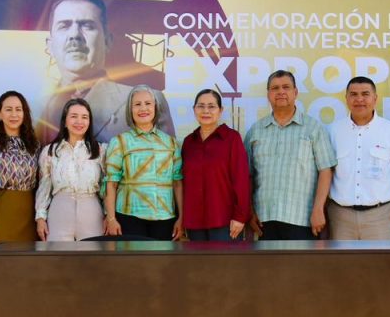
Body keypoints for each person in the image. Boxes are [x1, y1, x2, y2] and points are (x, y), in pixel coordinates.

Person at [38, 0, 175, 144]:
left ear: (107, 41)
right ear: (50, 45)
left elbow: (165, 158)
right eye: (64, 26)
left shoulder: (149, 103)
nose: (75, 35)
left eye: (87, 26)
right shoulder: (32, 109)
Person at [244, 70, 336, 240]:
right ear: (268, 94)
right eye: (275, 88)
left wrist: (318, 209)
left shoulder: (313, 128)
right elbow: (247, 175)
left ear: (295, 92)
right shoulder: (255, 131)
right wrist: (250, 211)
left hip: (302, 218)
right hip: (264, 220)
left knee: (300, 260)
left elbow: (325, 170)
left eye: (286, 87)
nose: (280, 92)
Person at [327, 76, 390, 240]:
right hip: (341, 217)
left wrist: (384, 207)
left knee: (380, 258)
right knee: (341, 258)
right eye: (353, 94)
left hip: (380, 217)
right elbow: (327, 173)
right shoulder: (333, 131)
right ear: (346, 98)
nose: (359, 99)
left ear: (375, 98)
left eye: (365, 94)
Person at [104, 85, 184, 240]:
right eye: (137, 104)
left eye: (148, 103)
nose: (143, 108)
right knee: (133, 257)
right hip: (129, 217)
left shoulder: (171, 143)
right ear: (130, 109)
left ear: (155, 107)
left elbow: (177, 183)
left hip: (165, 218)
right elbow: (111, 183)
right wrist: (111, 218)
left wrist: (182, 218)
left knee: (162, 257)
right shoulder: (119, 141)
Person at [181, 89, 250, 241]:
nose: (206, 111)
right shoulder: (189, 142)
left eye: (211, 106)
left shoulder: (231, 139)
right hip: (194, 223)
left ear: (220, 110)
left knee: (225, 258)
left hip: (225, 222)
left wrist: (240, 216)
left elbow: (241, 180)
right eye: (201, 106)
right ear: (194, 109)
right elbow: (184, 182)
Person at [35, 98, 106, 241]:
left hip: (91, 211)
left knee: (92, 252)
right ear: (65, 121)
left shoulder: (100, 150)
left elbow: (106, 185)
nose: (79, 121)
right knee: (59, 253)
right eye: (74, 116)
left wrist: (108, 216)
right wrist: (40, 218)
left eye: (84, 117)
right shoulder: (50, 151)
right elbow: (44, 186)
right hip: (59, 210)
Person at [0, 91, 40, 240]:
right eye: (8, 109)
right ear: (0, 114)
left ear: (24, 113)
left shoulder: (34, 144)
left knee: (26, 254)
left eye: (18, 109)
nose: (14, 114)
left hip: (28, 214)